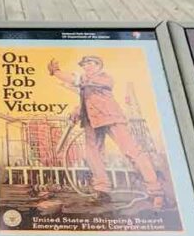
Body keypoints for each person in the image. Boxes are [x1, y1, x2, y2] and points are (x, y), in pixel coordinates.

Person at [48, 55, 163, 203]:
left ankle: (156, 191)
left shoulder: (104, 78)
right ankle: (102, 191)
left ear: (98, 65)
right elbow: (88, 100)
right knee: (93, 156)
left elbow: (80, 82)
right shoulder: (86, 83)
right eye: (84, 64)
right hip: (92, 121)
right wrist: (77, 111)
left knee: (132, 151)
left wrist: (56, 72)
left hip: (111, 117)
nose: (86, 66)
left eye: (89, 63)